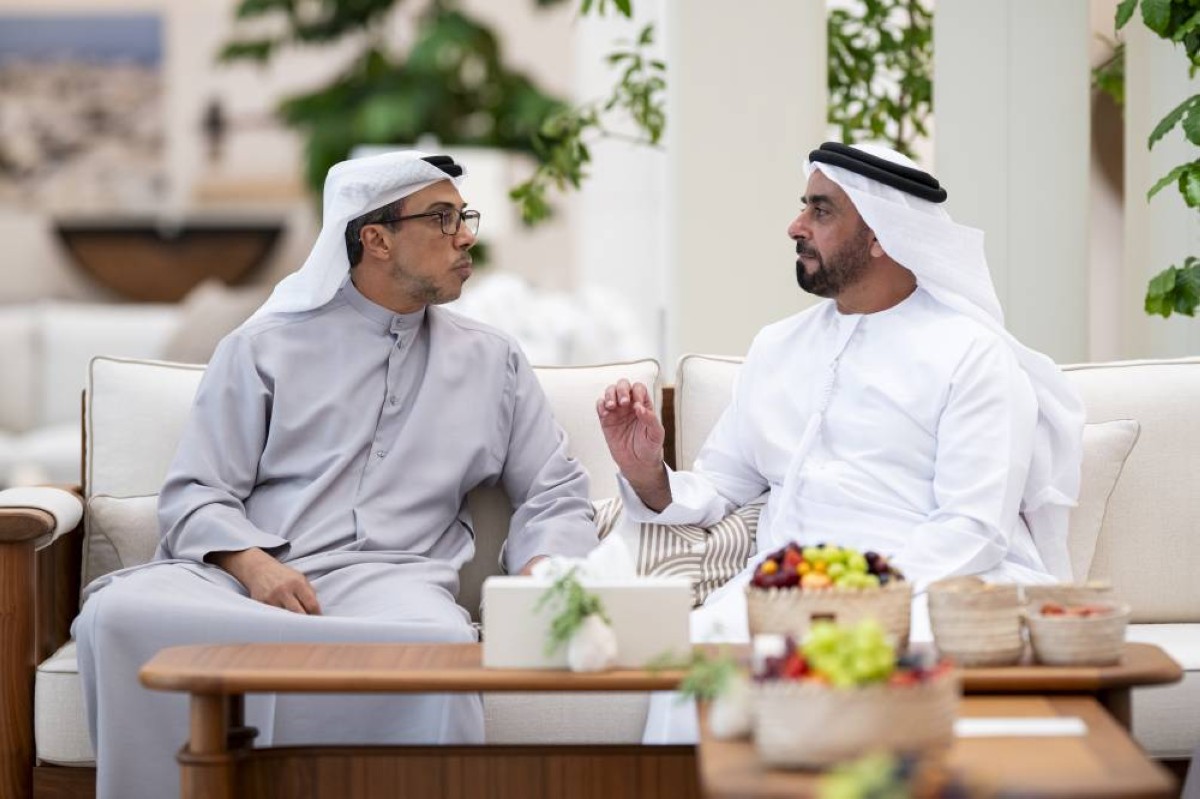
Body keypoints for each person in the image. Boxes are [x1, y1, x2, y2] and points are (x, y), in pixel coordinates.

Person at [74, 151, 598, 799]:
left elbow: (554, 490)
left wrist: (544, 572)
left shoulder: (494, 362)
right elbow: (198, 490)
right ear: (374, 238)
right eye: (442, 219)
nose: (466, 236)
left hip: (395, 593)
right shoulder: (261, 347)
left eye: (465, 217)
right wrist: (253, 563)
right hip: (247, 587)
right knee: (117, 615)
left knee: (441, 649)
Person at [598, 141, 1085, 644]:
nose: (796, 226)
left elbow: (972, 529)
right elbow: (720, 487)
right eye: (804, 205)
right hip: (783, 595)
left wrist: (851, 595)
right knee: (687, 669)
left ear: (880, 234)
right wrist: (647, 472)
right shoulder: (777, 347)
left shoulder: (972, 353)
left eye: (821, 210)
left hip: (923, 594)